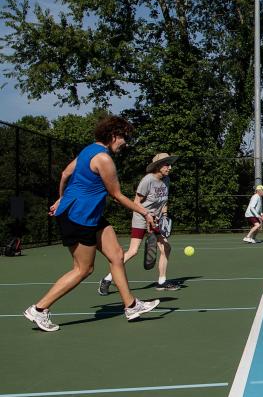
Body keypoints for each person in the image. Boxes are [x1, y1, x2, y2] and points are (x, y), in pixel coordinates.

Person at [23, 116, 160, 332]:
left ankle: (131, 306)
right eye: (124, 137)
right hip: (79, 218)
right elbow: (116, 195)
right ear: (114, 135)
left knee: (116, 255)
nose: (125, 142)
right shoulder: (104, 160)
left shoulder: (87, 150)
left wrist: (62, 199)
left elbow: (65, 174)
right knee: (83, 269)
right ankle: (39, 309)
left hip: (88, 215)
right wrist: (145, 212)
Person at [98, 152, 179, 295]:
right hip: (141, 217)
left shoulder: (167, 180)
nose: (169, 167)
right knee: (133, 251)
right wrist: (147, 215)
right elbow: (135, 202)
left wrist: (164, 216)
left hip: (157, 220)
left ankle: (162, 282)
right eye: (167, 164)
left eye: (170, 164)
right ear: (158, 166)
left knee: (166, 247)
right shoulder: (147, 180)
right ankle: (107, 279)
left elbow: (164, 201)